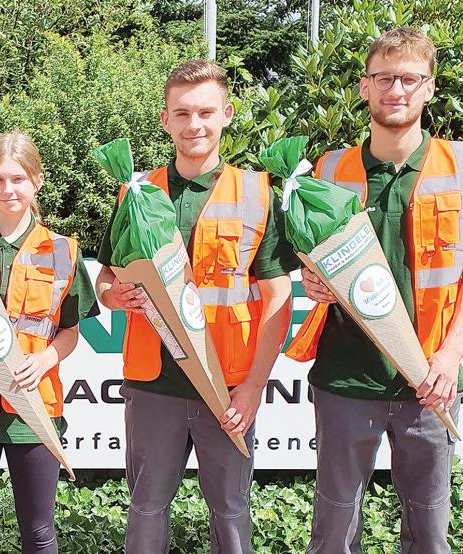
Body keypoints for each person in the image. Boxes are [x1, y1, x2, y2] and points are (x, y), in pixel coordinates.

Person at [287, 27, 463, 554]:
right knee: (333, 528)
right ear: (364, 87)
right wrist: (312, 279)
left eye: (410, 79)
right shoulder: (327, 170)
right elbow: (308, 257)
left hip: (430, 379)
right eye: (384, 77)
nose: (396, 90)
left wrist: (450, 356)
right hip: (346, 375)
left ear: (430, 88)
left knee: (430, 530)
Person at [95, 60, 297, 553]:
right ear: (165, 119)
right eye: (182, 113)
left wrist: (253, 388)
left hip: (227, 387)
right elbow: (105, 277)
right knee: (146, 508)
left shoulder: (258, 193)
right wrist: (112, 296)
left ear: (227, 114)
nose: (195, 125)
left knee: (230, 510)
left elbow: (278, 296)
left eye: (206, 112)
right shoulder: (135, 192)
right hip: (154, 383)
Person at [0, 131, 101, 554]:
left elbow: (69, 331)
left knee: (40, 533)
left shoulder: (64, 250)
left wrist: (45, 360)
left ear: (37, 181)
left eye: (18, 178)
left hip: (35, 408)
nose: (8, 189)